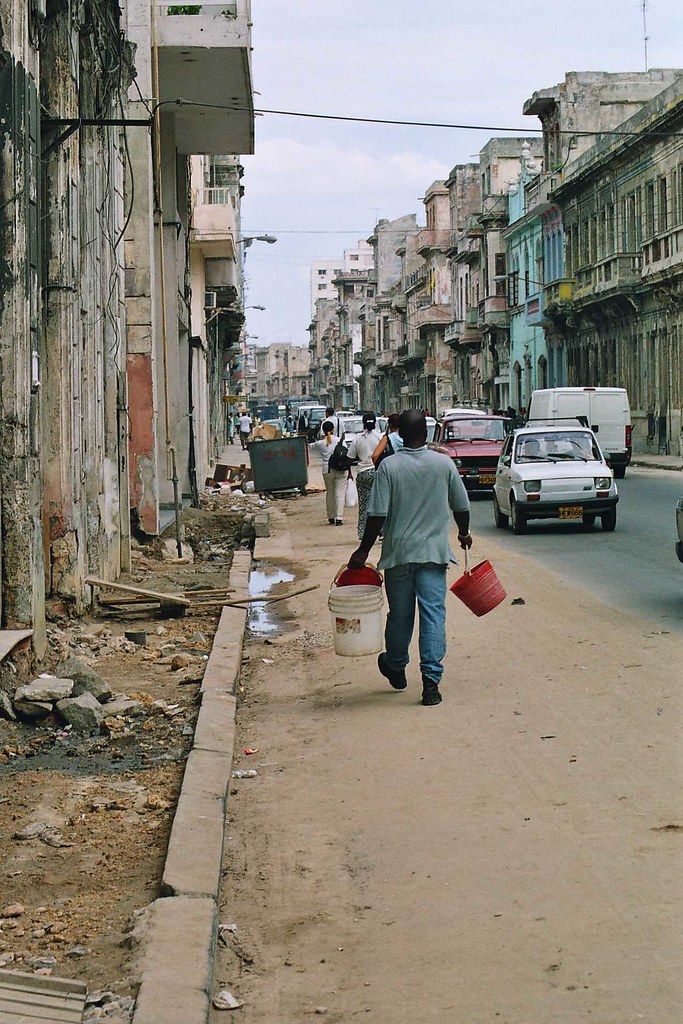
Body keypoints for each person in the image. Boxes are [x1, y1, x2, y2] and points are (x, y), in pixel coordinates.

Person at [348, 409, 472, 707]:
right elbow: (461, 505)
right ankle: (431, 683)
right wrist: (463, 533)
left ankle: (396, 664)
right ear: (426, 434)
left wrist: (363, 551)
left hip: (399, 555)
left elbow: (376, 514)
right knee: (433, 615)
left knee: (400, 615)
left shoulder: (389, 467)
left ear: (399, 435)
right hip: (433, 555)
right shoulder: (443, 464)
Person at [346, 412, 383, 540]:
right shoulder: (380, 437)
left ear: (363, 423)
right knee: (379, 503)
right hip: (378, 473)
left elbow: (349, 458)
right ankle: (381, 530)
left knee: (364, 504)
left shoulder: (357, 438)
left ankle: (363, 532)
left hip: (362, 473)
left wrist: (350, 473)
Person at [309, 420, 347, 525]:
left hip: (327, 470)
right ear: (333, 429)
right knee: (340, 493)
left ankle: (330, 516)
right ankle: (339, 517)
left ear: (323, 431)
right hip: (340, 470)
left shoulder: (321, 443)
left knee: (330, 493)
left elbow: (310, 446)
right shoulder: (340, 441)